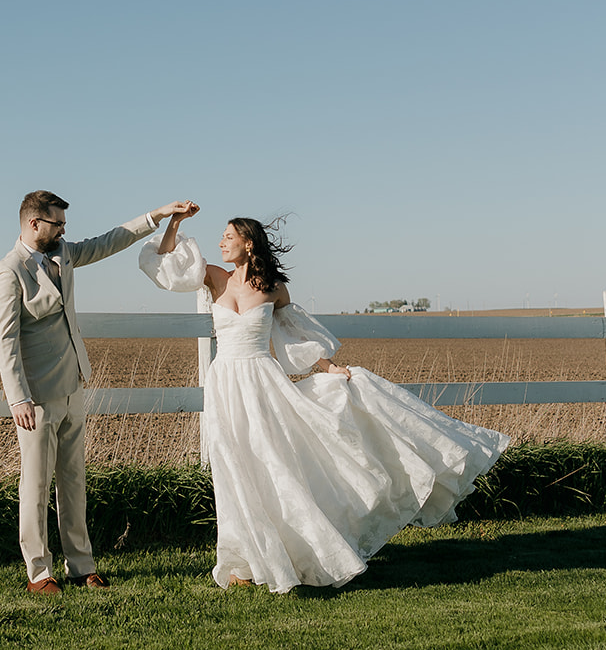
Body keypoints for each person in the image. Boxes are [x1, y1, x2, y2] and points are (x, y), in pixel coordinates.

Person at [140, 206, 509, 594]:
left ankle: (299, 551)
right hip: (226, 383)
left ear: (248, 245)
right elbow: (162, 263)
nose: (220, 243)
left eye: (228, 238)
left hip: (263, 380)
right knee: (234, 467)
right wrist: (175, 223)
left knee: (273, 463)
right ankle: (243, 561)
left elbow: (294, 333)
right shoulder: (216, 278)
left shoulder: (274, 289)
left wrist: (328, 367)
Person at [0, 190, 195, 595]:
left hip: (73, 385)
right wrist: (18, 397)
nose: (65, 231)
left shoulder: (64, 254)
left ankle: (80, 567)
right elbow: (5, 339)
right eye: (58, 224)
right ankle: (39, 573)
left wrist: (155, 215)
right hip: (35, 398)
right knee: (34, 487)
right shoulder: (8, 271)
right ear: (34, 224)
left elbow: (107, 241)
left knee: (73, 481)